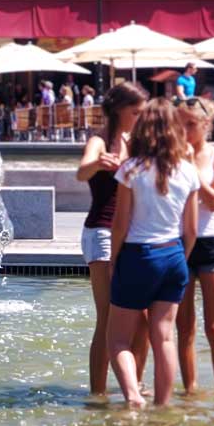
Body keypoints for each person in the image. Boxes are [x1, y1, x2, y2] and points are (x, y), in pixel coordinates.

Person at [108, 97, 200, 407]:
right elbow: (192, 231)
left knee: (118, 338)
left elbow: (119, 225)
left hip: (137, 254)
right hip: (172, 255)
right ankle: (163, 405)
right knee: (164, 337)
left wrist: (113, 261)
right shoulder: (187, 171)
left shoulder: (130, 170)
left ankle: (133, 396)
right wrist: (179, 260)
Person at [75, 82, 149, 398]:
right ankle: (98, 393)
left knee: (143, 321)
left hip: (134, 235)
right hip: (102, 232)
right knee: (107, 317)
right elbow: (81, 172)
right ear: (119, 110)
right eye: (136, 112)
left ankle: (134, 385)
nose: (140, 117)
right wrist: (99, 163)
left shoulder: (142, 142)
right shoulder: (99, 140)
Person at [175, 97, 214, 395]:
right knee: (184, 328)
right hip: (180, 242)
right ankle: (190, 392)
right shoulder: (172, 155)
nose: (185, 131)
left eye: (191, 125)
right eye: (180, 124)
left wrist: (190, 168)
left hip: (211, 243)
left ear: (206, 124)